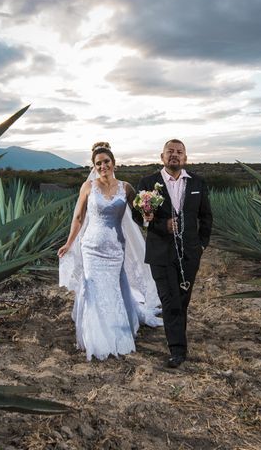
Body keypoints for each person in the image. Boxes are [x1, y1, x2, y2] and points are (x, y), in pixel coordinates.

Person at [58, 142, 162, 361]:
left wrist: (147, 214)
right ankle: (95, 336)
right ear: (94, 167)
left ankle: (118, 330)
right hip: (91, 247)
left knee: (112, 289)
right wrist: (69, 243)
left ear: (114, 163)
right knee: (94, 289)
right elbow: (78, 218)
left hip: (115, 248)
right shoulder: (88, 187)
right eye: (98, 163)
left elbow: (137, 216)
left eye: (106, 162)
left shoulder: (126, 188)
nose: (103, 166)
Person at [133, 139, 212, 368]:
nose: (174, 155)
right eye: (170, 152)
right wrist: (159, 225)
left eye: (179, 152)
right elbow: (138, 216)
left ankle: (177, 341)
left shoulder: (198, 182)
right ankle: (177, 350)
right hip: (161, 253)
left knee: (182, 301)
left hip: (190, 254)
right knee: (170, 301)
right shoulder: (148, 182)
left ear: (185, 158)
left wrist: (202, 245)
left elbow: (206, 216)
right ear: (162, 157)